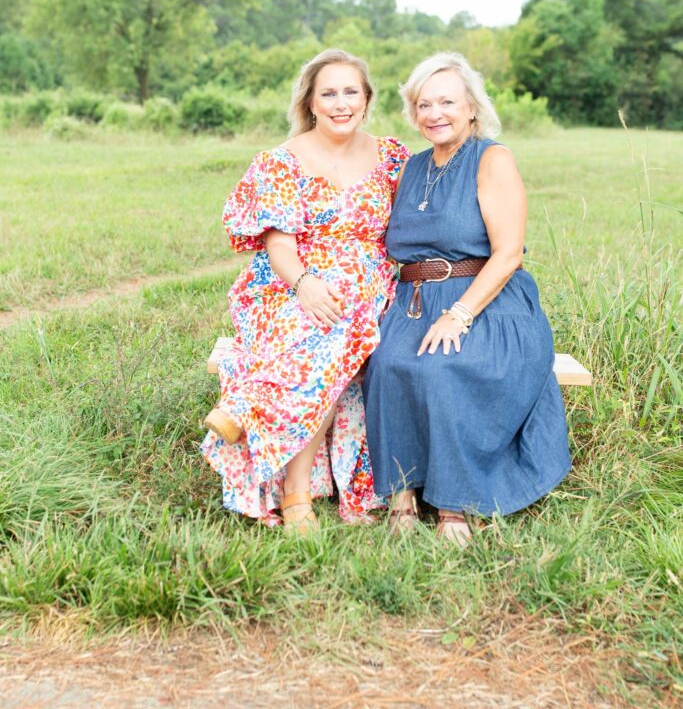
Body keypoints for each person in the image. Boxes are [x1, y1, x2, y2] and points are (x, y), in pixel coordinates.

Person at [362, 52, 571, 545]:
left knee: (444, 368)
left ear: (472, 107)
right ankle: (403, 493)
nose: (435, 113)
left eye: (447, 102)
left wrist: (459, 314)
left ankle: (454, 503)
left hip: (486, 301)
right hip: (414, 299)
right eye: (424, 104)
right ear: (414, 113)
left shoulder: (490, 157)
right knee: (387, 363)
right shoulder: (410, 168)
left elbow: (508, 254)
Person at [201, 49, 409, 532]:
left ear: (367, 99)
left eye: (351, 92)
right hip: (288, 280)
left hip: (368, 281)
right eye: (329, 93)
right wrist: (306, 284)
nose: (341, 103)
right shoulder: (282, 161)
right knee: (326, 323)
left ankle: (250, 409)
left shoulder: (392, 156)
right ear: (311, 103)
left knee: (343, 316)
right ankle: (293, 491)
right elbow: (279, 245)